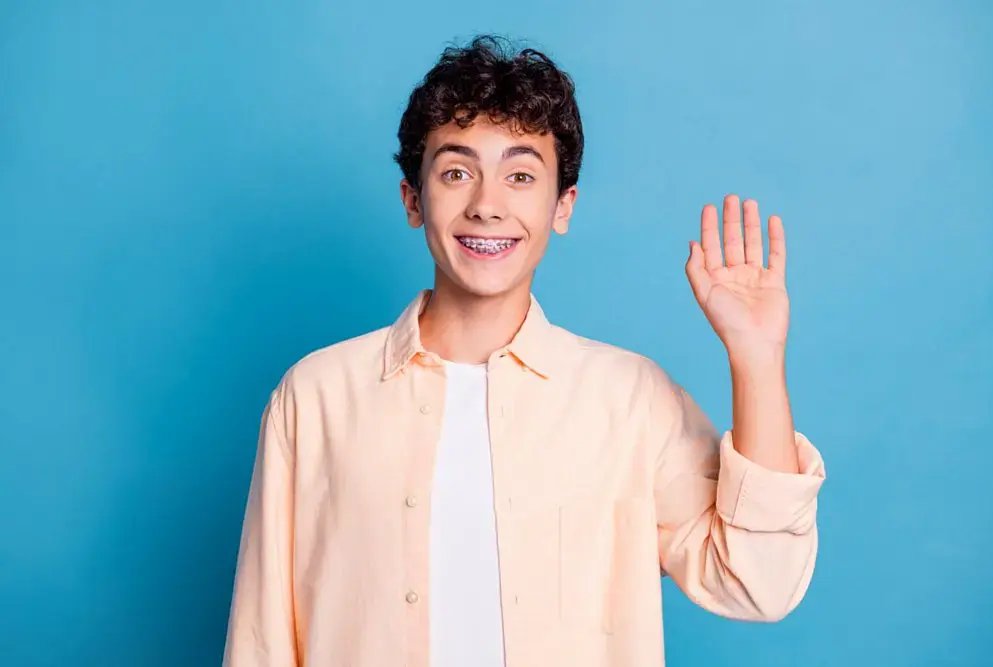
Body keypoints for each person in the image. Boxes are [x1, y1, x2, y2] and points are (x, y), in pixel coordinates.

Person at [221, 34, 826, 667]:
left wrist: (755, 357)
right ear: (412, 199)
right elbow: (260, 640)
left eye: (519, 176)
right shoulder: (316, 396)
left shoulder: (628, 399)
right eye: (457, 173)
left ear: (563, 205)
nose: (487, 206)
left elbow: (761, 582)